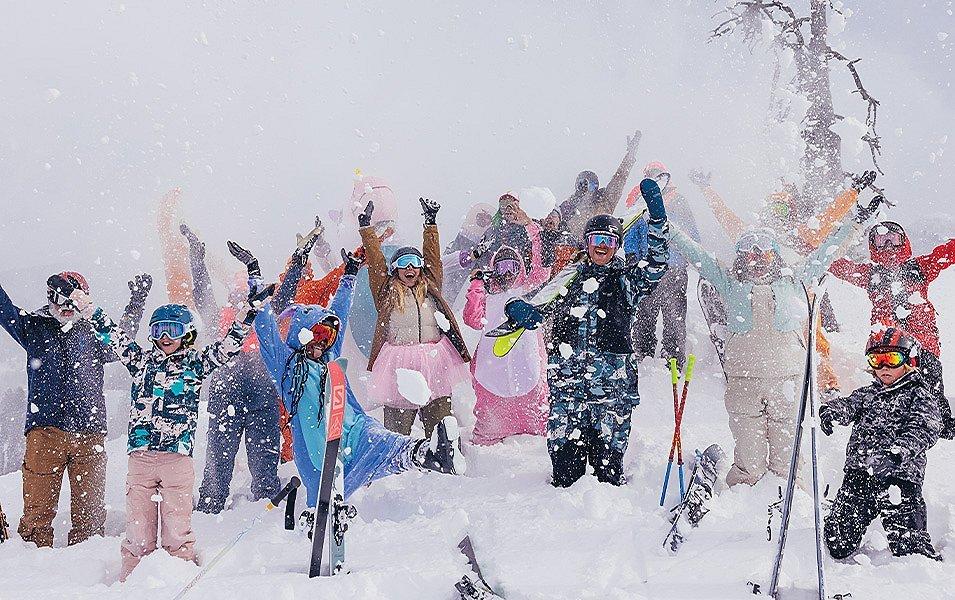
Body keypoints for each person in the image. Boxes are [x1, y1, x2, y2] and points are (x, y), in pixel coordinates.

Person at [667, 193, 883, 486]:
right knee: (750, 468)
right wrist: (665, 225)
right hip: (744, 385)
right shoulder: (730, 283)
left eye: (765, 252)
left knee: (788, 467)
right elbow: (697, 254)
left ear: (775, 255)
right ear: (741, 257)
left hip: (787, 385)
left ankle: (793, 504)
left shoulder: (794, 280)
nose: (757, 258)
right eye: (749, 253)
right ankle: (743, 506)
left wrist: (855, 222)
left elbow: (827, 251)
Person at [252, 245, 462, 520]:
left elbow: (340, 311)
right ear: (301, 335)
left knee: (388, 445)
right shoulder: (288, 369)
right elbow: (267, 333)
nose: (322, 343)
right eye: (316, 335)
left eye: (327, 336)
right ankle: (321, 519)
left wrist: (350, 275)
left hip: (356, 434)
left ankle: (431, 454)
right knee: (325, 492)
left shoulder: (329, 359)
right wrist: (257, 289)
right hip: (321, 451)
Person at [84, 282, 267, 579]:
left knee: (177, 526)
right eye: (158, 330)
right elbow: (113, 335)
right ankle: (132, 579)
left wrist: (248, 314)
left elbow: (228, 346)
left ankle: (178, 574)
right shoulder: (141, 361)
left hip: (177, 457)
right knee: (138, 527)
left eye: (172, 330)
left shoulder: (196, 364)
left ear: (187, 333)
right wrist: (88, 307)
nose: (165, 337)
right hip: (142, 455)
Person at [508, 178, 669, 487]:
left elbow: (656, 265)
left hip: (611, 398)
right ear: (586, 242)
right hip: (568, 396)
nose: (601, 246)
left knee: (607, 480)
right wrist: (516, 308)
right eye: (596, 239)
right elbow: (537, 301)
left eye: (609, 241)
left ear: (617, 246)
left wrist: (658, 222)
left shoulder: (627, 281)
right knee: (564, 479)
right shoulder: (568, 280)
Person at [0, 271, 150, 547]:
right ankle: (33, 560)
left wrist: (137, 302)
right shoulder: (34, 326)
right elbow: (4, 309)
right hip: (45, 432)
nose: (67, 307)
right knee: (37, 514)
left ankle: (86, 559)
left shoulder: (95, 332)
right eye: (61, 299)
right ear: (50, 298)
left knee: (90, 517)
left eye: (73, 300)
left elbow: (122, 339)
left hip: (90, 433)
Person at [689, 170, 875, 393]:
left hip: (798, 295)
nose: (776, 216)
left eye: (782, 210)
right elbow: (725, 216)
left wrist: (853, 192)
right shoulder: (753, 238)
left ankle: (826, 383)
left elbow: (830, 215)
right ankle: (741, 357)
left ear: (791, 213)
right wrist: (706, 188)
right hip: (761, 295)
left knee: (813, 337)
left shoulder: (804, 235)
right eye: (773, 209)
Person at [178, 224, 282, 514]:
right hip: (227, 389)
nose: (240, 301)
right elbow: (201, 292)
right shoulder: (218, 318)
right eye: (237, 296)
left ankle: (267, 511)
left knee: (264, 458)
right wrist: (197, 255)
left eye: (245, 296)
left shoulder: (265, 317)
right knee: (218, 459)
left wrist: (255, 267)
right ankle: (210, 508)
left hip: (261, 389)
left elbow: (281, 293)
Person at [820, 327, 942, 561]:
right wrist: (832, 411)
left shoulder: (919, 395)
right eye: (876, 360)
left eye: (892, 359)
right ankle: (836, 519)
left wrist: (899, 452)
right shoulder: (868, 394)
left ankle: (918, 559)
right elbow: (849, 405)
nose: (884, 367)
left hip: (899, 478)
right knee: (838, 544)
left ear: (908, 361)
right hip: (861, 475)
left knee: (910, 551)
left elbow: (925, 428)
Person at [829, 221, 955, 438]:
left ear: (903, 241)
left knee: (931, 377)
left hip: (922, 343)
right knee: (889, 382)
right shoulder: (871, 275)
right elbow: (839, 267)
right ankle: (890, 423)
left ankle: (939, 422)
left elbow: (944, 255)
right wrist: (818, 253)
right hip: (888, 344)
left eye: (893, 239)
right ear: (873, 246)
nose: (888, 246)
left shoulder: (918, 269)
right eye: (881, 241)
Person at [359, 197, 472, 437]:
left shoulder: (430, 287)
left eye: (414, 263)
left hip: (433, 361)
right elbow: (376, 263)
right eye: (403, 263)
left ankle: (446, 455)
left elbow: (433, 258)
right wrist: (366, 229)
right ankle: (397, 459)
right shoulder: (387, 292)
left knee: (442, 426)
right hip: (399, 363)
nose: (410, 268)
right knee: (397, 431)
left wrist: (430, 223)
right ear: (395, 269)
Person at [463, 245, 549, 445]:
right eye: (502, 268)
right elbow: (472, 319)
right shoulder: (488, 298)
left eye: (513, 267)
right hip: (493, 368)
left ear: (521, 268)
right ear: (494, 271)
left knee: (536, 412)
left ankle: (537, 443)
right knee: (491, 415)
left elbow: (543, 271)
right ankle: (487, 442)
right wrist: (477, 284)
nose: (508, 273)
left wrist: (534, 233)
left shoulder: (528, 291)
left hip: (528, 365)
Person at [630, 163, 701, 369]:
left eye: (659, 175)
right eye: (651, 175)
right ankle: (642, 354)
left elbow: (692, 233)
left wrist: (690, 256)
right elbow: (633, 231)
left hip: (674, 268)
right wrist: (632, 256)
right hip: (647, 268)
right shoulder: (640, 203)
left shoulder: (678, 201)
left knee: (674, 316)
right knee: (645, 312)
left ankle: (673, 357)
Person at [558, 130, 642, 236]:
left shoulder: (604, 203)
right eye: (583, 184)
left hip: (598, 244)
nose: (587, 189)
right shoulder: (568, 208)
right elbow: (554, 221)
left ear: (597, 187)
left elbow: (619, 179)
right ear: (577, 187)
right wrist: (575, 199)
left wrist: (630, 156)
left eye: (592, 185)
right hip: (573, 246)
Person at [442, 202, 495, 303]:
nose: (483, 219)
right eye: (480, 216)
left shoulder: (488, 238)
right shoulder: (464, 233)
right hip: (456, 270)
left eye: (487, 217)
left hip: (470, 277)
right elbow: (452, 253)